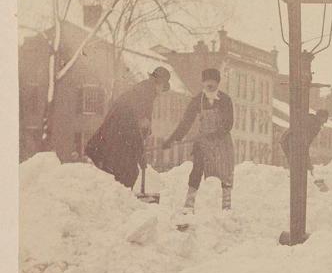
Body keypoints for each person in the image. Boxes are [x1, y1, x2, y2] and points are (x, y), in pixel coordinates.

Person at [163, 68, 235, 212]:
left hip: (221, 142)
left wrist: (215, 134)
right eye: (207, 81)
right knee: (197, 170)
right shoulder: (197, 101)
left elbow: (229, 123)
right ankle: (189, 205)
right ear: (203, 83)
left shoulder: (226, 100)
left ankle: (226, 207)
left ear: (218, 83)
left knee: (225, 172)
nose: (210, 84)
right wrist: (172, 139)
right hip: (203, 143)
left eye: (213, 81)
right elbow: (186, 122)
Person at [85, 66, 170, 189]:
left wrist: (144, 130)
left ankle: (119, 199)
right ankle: (119, 201)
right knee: (128, 173)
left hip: (117, 133)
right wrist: (140, 150)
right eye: (163, 88)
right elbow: (137, 123)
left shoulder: (143, 89)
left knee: (123, 170)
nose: (161, 92)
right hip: (121, 133)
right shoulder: (146, 93)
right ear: (159, 84)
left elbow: (141, 122)